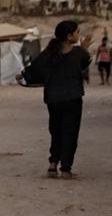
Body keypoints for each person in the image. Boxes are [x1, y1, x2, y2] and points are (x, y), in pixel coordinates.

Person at [21, 20, 91, 179]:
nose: (79, 35)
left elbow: (34, 70)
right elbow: (83, 64)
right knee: (70, 132)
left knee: (56, 130)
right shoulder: (79, 53)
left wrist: (23, 76)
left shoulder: (48, 53)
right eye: (77, 32)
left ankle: (53, 164)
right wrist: (85, 49)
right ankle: (65, 169)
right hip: (72, 98)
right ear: (69, 36)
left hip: (53, 99)